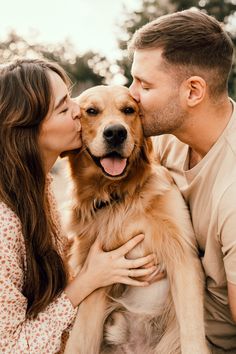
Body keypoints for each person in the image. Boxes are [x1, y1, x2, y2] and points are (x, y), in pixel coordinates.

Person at [0, 58, 158, 354]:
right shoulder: (3, 223)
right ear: (29, 129)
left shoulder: (37, 186)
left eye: (71, 98)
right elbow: (9, 348)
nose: (78, 110)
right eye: (64, 107)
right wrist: (87, 281)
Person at [129, 9, 236, 353]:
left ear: (193, 91)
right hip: (145, 320)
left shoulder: (232, 192)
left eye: (144, 85)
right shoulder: (165, 140)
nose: (131, 95)